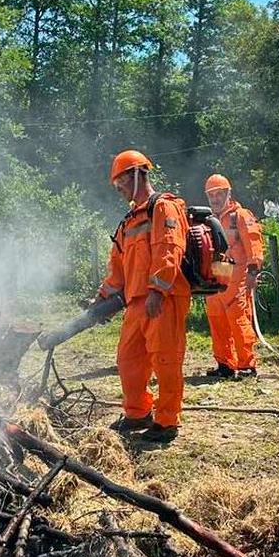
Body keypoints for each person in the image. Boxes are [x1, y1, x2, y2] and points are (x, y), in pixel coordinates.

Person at [96, 150, 191, 444]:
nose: (119, 188)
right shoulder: (128, 220)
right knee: (128, 360)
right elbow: (118, 268)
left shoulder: (162, 208)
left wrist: (158, 290)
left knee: (165, 360)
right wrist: (102, 299)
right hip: (137, 304)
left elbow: (169, 250)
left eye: (121, 181)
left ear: (138, 174)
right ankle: (137, 413)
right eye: (116, 184)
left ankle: (166, 421)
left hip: (162, 300)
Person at [202, 174, 265, 379]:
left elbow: (253, 244)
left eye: (219, 194)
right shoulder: (210, 219)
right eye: (212, 195)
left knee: (238, 319)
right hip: (218, 273)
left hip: (238, 273)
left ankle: (247, 365)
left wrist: (253, 273)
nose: (216, 198)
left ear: (228, 193)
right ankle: (225, 365)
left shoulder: (240, 216)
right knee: (216, 317)